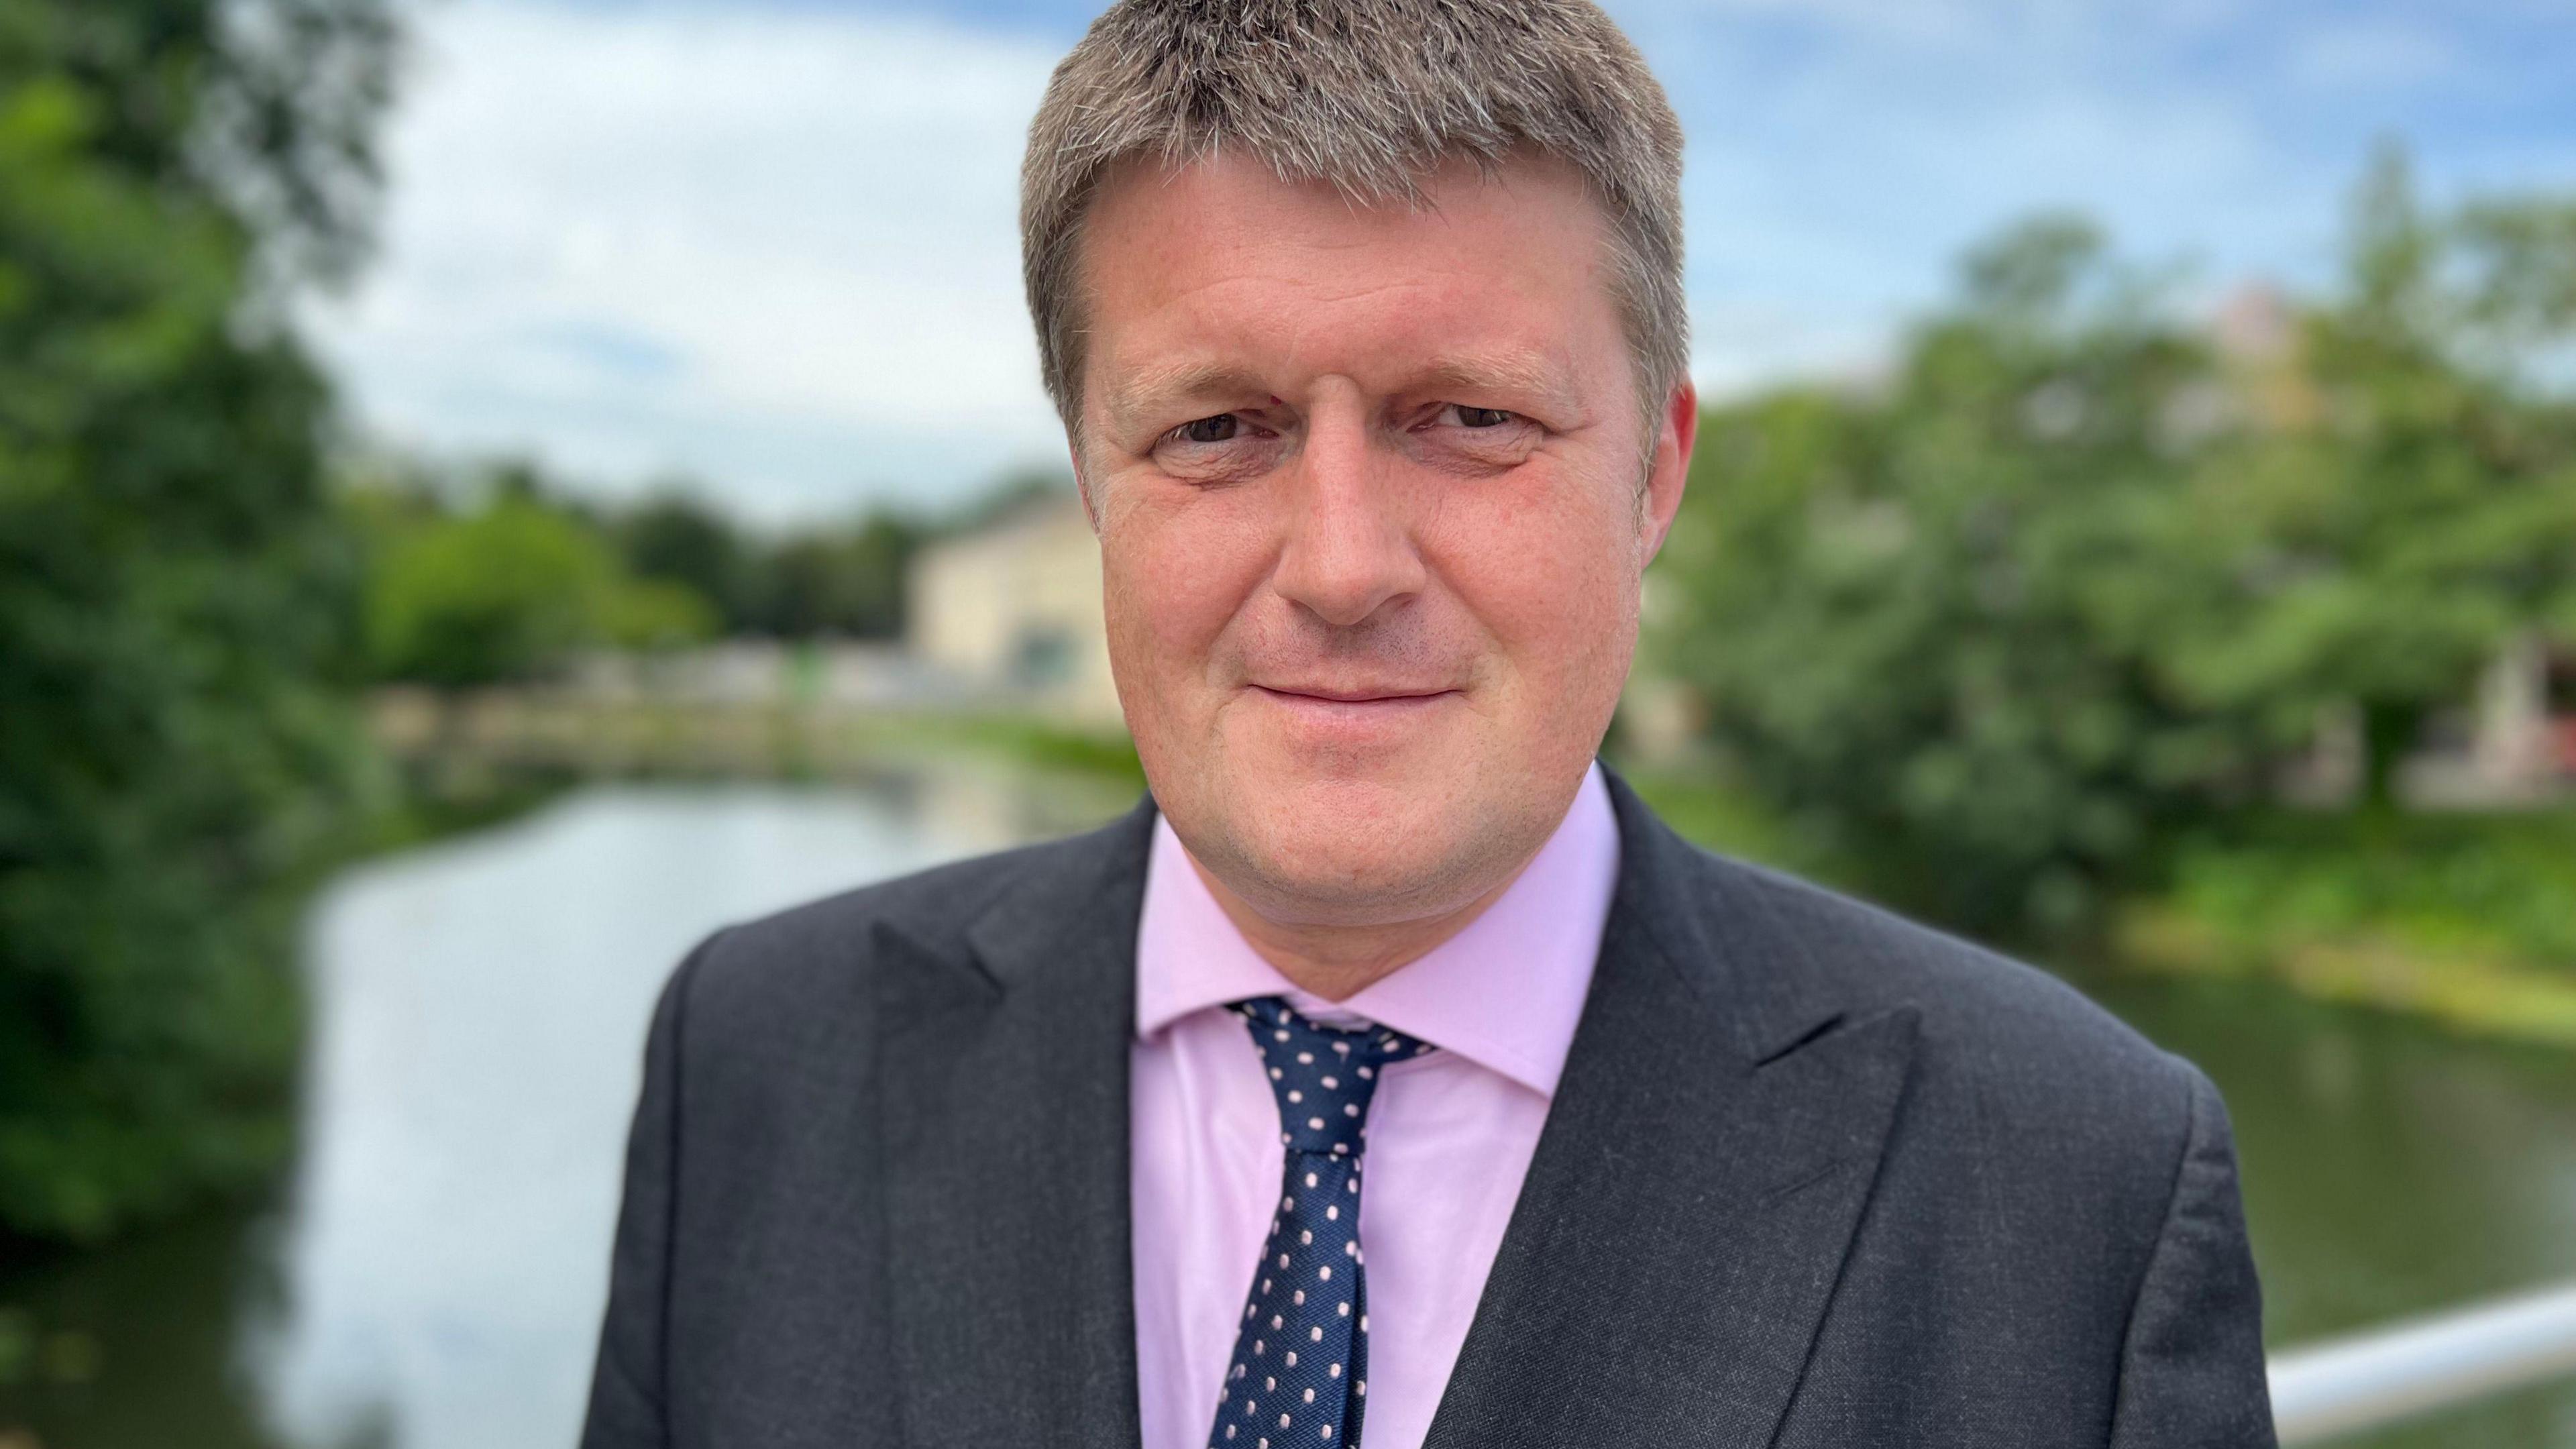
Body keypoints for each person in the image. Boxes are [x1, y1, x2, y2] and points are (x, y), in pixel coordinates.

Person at [578, 0, 2276, 1444]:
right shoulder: (759, 1057)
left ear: (1656, 471)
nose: (1338, 565)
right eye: (1218, 430)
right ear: (1093, 478)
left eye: (1466, 418)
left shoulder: (2076, 1190)